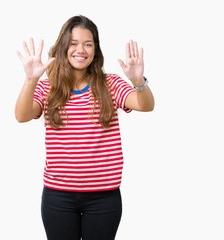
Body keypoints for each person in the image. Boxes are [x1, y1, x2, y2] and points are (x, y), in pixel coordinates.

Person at [15, 15, 154, 240]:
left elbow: (145, 106)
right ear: (63, 47)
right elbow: (22, 115)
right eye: (73, 43)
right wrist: (31, 80)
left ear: (96, 50)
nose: (81, 49)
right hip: (58, 197)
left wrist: (139, 82)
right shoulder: (48, 87)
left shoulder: (111, 84)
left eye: (88, 44)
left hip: (103, 197)